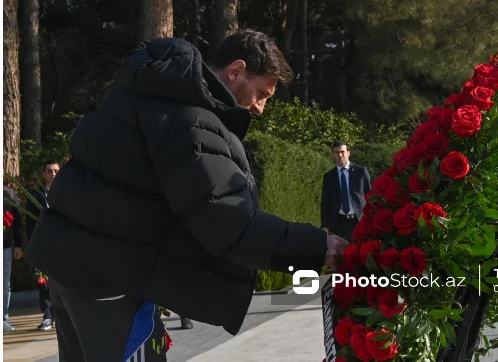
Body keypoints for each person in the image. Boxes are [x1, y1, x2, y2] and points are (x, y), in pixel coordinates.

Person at [25, 30, 348, 362]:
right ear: (236, 71)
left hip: (70, 271)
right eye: (262, 93)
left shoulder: (134, 94)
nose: (261, 108)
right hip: (113, 283)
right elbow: (229, 224)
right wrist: (316, 246)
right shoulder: (192, 122)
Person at [25, 160, 60, 331]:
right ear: (43, 174)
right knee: (45, 283)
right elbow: (30, 223)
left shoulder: (69, 193)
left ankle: (64, 316)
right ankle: (48, 315)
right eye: (49, 171)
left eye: (56, 171)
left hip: (64, 246)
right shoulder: (35, 196)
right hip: (44, 246)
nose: (53, 174)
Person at [320, 140, 372, 241]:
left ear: (348, 153)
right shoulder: (329, 177)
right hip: (339, 223)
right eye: (337, 152)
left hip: (359, 221)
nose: (340, 155)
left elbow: (370, 196)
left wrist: (372, 219)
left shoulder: (360, 172)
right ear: (333, 155)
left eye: (342, 152)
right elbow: (325, 203)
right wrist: (324, 226)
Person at [3, 184, 23, 332]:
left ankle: (3, 318)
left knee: (4, 284)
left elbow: (17, 222)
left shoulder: (9, 193)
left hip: (5, 246)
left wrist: (19, 245)